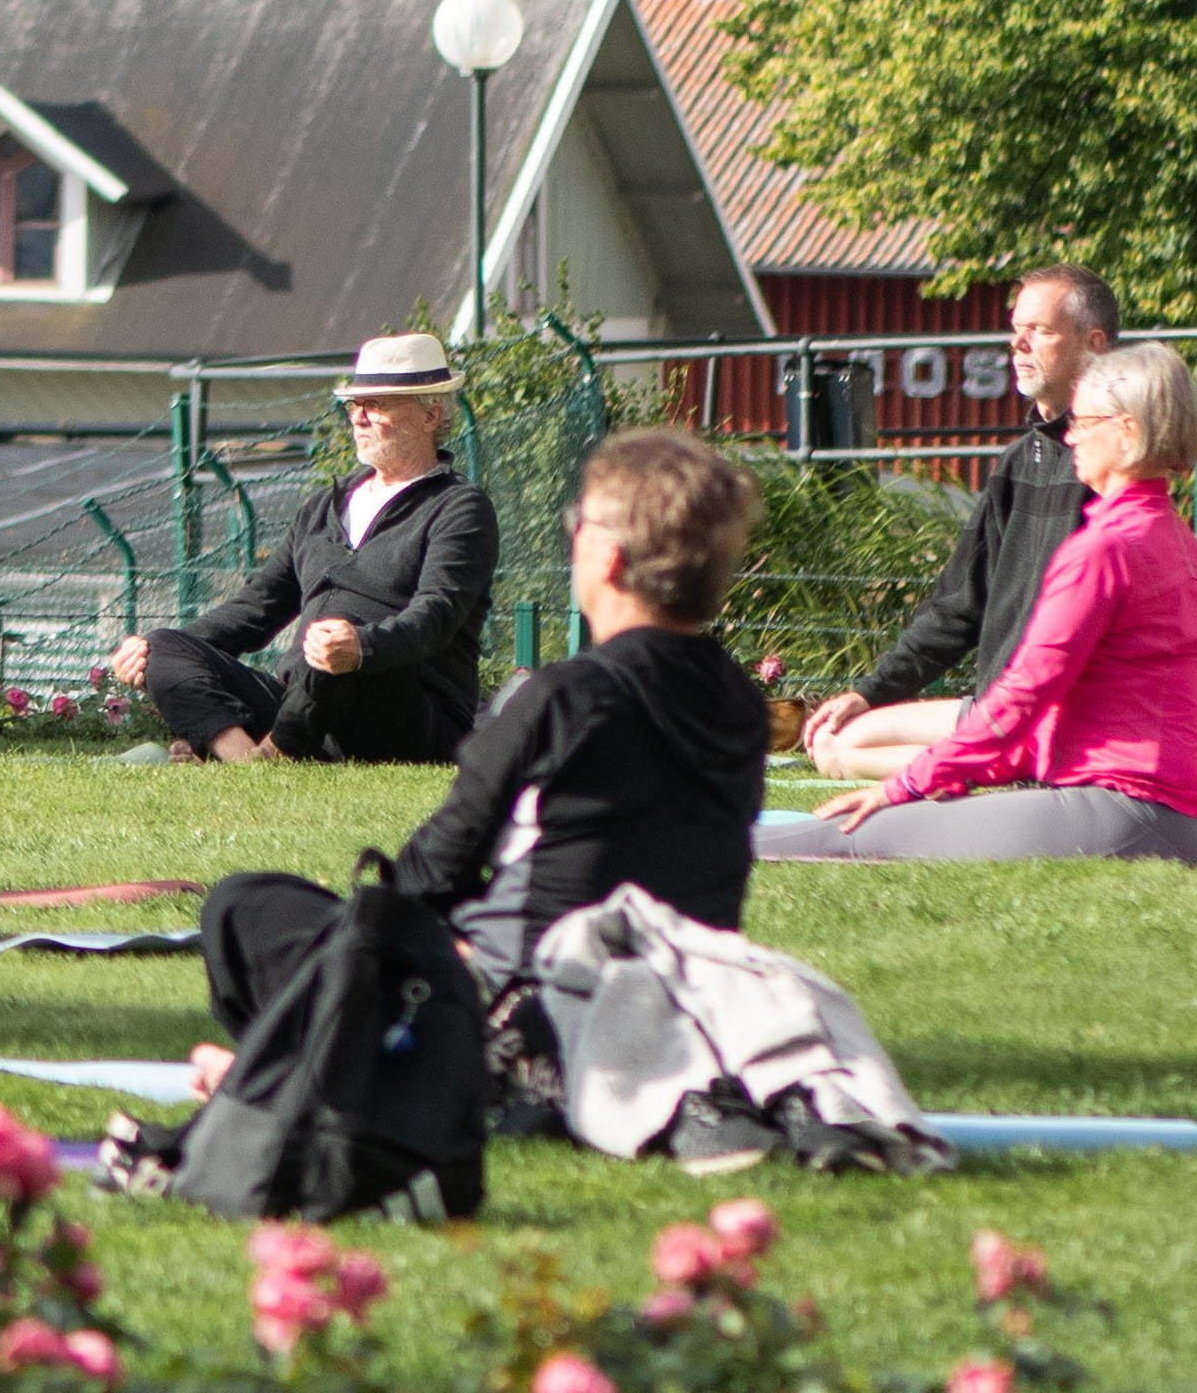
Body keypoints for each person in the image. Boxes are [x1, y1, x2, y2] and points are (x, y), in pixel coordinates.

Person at [189, 428, 774, 1054]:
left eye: (579, 521)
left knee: (242, 906)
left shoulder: (558, 698)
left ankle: (290, 1074)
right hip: (682, 993)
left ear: (609, 557)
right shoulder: (741, 703)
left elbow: (434, 869)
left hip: (527, 1000)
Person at [765, 341, 1197, 862]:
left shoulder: (1106, 549)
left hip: (1128, 813)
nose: (1069, 434)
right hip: (1187, 821)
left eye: (1083, 420)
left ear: (1127, 433)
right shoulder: (1179, 541)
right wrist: (951, 771)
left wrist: (902, 787)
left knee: (852, 831)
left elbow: (1023, 696)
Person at [109, 331, 501, 767]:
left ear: (431, 415)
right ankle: (248, 762)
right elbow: (254, 611)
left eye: (379, 405)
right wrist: (151, 653)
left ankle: (273, 754)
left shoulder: (460, 508)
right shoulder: (321, 508)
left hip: (404, 715)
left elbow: (436, 615)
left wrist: (362, 647)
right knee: (166, 644)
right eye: (355, 405)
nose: (359, 418)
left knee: (334, 639)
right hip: (302, 702)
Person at [794, 267, 1117, 789]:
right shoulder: (1020, 460)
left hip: (1057, 721)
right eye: (1017, 328)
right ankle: (982, 763)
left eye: (1041, 330)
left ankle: (988, 768)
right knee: (838, 739)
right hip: (995, 706)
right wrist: (870, 692)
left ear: (1093, 345)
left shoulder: (1111, 467)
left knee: (844, 754)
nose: (1018, 344)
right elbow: (958, 606)